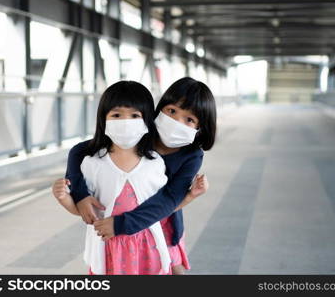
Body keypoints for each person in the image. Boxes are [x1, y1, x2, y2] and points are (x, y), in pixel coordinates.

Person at [53, 77, 216, 274]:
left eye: (189, 119)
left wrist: (124, 224)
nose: (175, 122)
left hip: (163, 217)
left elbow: (171, 197)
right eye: (171, 111)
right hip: (119, 229)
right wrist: (80, 193)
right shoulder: (139, 132)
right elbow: (80, 151)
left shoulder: (191, 154)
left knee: (172, 267)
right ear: (159, 108)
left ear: (201, 127)